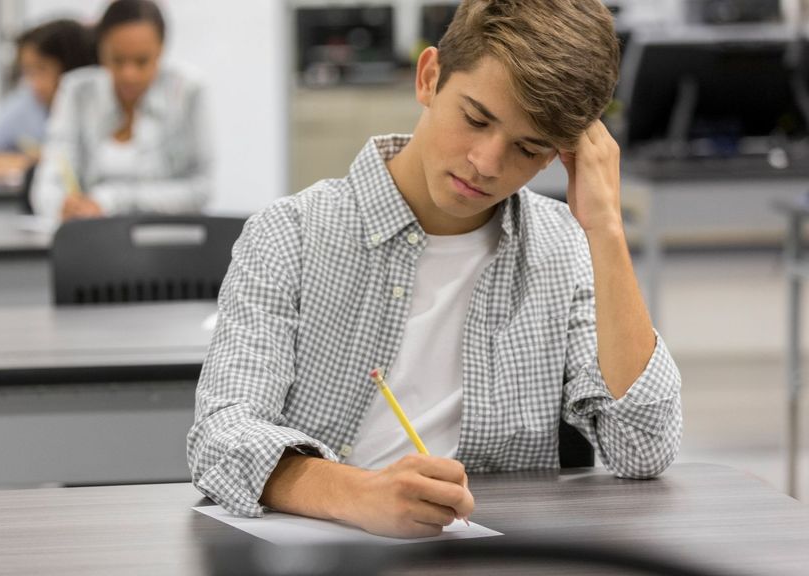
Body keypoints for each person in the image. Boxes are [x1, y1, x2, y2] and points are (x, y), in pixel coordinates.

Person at [188, 0, 683, 539]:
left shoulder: (565, 248)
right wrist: (357, 493)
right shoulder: (290, 235)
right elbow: (220, 436)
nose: (488, 163)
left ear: (556, 156)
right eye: (476, 118)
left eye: (528, 148)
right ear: (429, 78)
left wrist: (606, 230)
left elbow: (644, 448)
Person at [29, 0, 211, 221]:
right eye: (117, 60)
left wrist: (110, 200)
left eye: (142, 61)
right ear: (100, 51)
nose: (129, 74)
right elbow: (50, 179)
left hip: (167, 241)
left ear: (161, 51)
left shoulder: (187, 92)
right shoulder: (77, 92)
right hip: (91, 237)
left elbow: (201, 189)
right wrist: (62, 205)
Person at [0, 19, 96, 177]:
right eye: (28, 72)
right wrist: (24, 163)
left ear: (70, 67)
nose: (34, 84)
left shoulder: (99, 105)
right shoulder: (27, 107)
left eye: (42, 69)